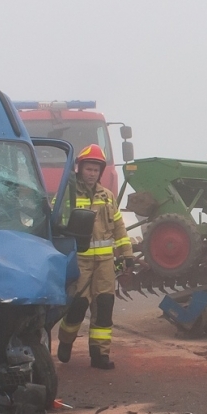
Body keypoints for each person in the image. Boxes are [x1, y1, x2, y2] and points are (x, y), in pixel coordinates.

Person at [57, 144, 132, 369]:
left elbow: (119, 227)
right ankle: (65, 341)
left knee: (104, 305)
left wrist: (127, 254)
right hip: (79, 261)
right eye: (88, 169)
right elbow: (56, 224)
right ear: (79, 169)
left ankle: (99, 355)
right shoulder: (66, 195)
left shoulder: (108, 197)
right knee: (78, 306)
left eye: (95, 170)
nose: (92, 173)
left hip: (105, 263)